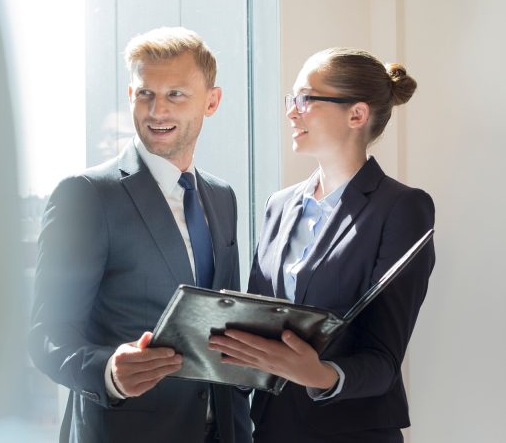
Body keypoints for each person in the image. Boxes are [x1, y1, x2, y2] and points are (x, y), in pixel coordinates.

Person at [28, 27, 251, 443]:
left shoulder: (222, 197)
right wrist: (110, 373)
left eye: (175, 95)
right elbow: (47, 336)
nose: (157, 110)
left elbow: (223, 327)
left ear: (212, 101)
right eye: (145, 93)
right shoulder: (86, 195)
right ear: (131, 95)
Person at [208, 47, 435, 442]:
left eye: (305, 99)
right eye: (291, 99)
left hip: (352, 433)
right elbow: (258, 323)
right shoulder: (279, 206)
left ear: (356, 115)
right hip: (273, 429)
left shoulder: (402, 208)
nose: (291, 112)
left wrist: (320, 375)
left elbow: (383, 360)